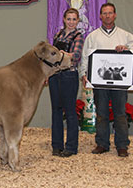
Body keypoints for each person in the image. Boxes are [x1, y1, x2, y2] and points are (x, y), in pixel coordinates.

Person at [79, 3, 133, 157]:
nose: (107, 16)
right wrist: (84, 73)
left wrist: (126, 49)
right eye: (104, 13)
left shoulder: (126, 36)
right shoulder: (92, 37)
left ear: (115, 15)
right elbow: (85, 57)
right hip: (99, 82)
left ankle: (122, 145)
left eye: (110, 13)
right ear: (100, 16)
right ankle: (102, 143)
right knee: (101, 113)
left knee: (120, 113)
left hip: (119, 83)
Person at [49, 8, 84, 157]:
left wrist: (60, 54)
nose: (71, 22)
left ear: (77, 21)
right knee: (56, 110)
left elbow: (75, 56)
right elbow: (51, 57)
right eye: (68, 19)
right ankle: (57, 145)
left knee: (70, 111)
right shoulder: (57, 35)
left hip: (69, 75)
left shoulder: (78, 36)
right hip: (55, 75)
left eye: (74, 19)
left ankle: (71, 147)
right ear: (64, 19)